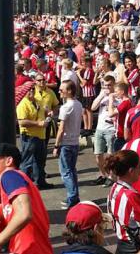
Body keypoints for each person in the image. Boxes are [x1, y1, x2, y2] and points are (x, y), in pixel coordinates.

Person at [0, 143, 53, 254]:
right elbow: (6, 210)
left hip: (30, 249)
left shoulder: (9, 175)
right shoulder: (15, 178)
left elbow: (24, 214)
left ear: (9, 161)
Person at [103, 149, 140, 254]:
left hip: (121, 243)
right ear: (131, 171)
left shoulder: (115, 187)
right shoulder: (131, 195)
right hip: (133, 246)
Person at [16, 81, 52, 189]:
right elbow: (21, 122)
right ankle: (23, 185)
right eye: (29, 90)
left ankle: (40, 182)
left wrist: (47, 113)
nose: (31, 91)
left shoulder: (37, 101)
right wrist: (38, 123)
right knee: (27, 161)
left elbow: (42, 112)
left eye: (33, 89)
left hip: (40, 135)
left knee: (40, 160)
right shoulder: (23, 104)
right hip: (29, 136)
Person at [55, 81, 84, 209]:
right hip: (74, 142)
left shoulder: (66, 107)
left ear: (70, 91)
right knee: (71, 170)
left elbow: (61, 129)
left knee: (66, 172)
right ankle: (73, 196)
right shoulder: (78, 104)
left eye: (62, 90)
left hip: (66, 143)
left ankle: (72, 198)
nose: (60, 92)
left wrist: (56, 146)